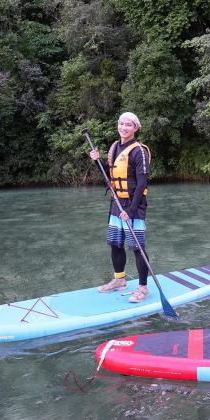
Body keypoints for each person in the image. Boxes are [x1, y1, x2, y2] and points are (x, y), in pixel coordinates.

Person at [89, 112, 152, 303]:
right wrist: (97, 161)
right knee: (115, 243)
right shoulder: (115, 147)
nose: (124, 127)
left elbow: (142, 183)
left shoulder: (139, 150)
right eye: (121, 123)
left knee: (137, 247)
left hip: (134, 205)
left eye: (128, 125)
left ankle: (143, 288)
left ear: (136, 128)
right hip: (117, 203)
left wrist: (131, 210)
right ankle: (120, 280)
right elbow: (110, 176)